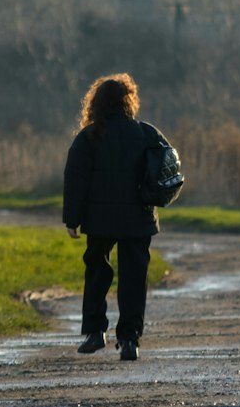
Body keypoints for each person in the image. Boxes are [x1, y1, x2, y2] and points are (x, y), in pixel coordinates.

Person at [62, 73, 166, 363]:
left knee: (97, 270)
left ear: (96, 104)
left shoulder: (89, 138)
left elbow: (75, 179)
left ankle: (95, 332)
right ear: (129, 101)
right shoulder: (147, 134)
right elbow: (166, 170)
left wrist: (72, 219)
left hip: (100, 220)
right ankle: (130, 339)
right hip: (138, 218)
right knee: (134, 276)